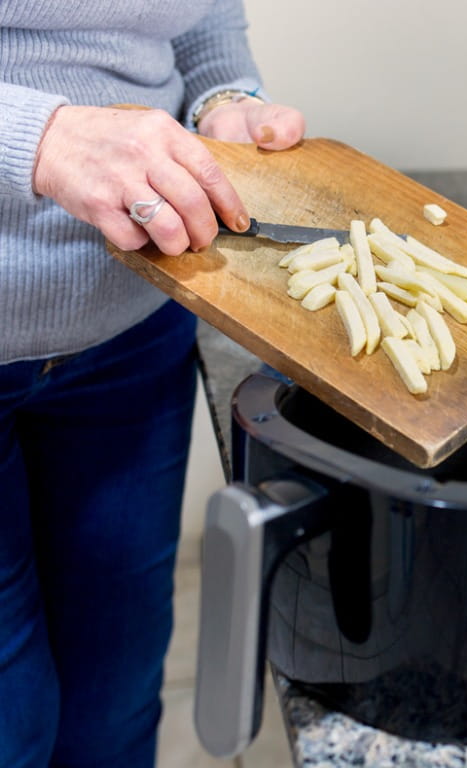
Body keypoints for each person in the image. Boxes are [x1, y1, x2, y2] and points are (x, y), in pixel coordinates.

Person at [0, 2, 306, 765]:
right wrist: (38, 135)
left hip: (132, 332)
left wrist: (223, 100)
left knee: (117, 704)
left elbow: (200, 17)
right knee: (14, 721)